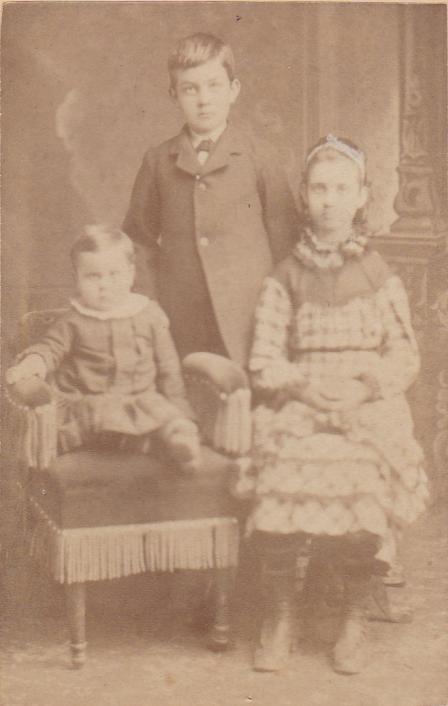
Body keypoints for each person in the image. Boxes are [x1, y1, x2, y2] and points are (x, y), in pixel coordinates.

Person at [245, 135, 429, 674]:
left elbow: (404, 355)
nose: (329, 200)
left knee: (366, 475)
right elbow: (264, 359)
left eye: (341, 189)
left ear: (361, 196)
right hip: (303, 398)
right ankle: (280, 615)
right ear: (304, 196)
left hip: (363, 402)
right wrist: (303, 386)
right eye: (320, 188)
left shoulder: (378, 275)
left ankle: (352, 614)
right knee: (278, 468)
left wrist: (363, 387)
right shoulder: (285, 275)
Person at [123, 32, 299, 367]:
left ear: (233, 90)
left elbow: (285, 239)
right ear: (174, 95)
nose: (203, 99)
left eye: (214, 85)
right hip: (182, 318)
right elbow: (138, 240)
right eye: (190, 89)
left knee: (251, 394)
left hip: (252, 317)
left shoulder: (260, 156)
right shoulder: (158, 161)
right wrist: (151, 305)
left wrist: (281, 311)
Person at [6, 225, 201, 473]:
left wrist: (178, 406)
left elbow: (168, 367)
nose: (104, 285)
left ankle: (177, 437)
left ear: (131, 275)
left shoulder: (150, 315)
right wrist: (34, 361)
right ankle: (148, 443)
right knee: (102, 416)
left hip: (140, 398)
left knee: (164, 413)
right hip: (90, 401)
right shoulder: (73, 321)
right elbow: (50, 347)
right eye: (93, 276)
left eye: (114, 274)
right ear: (77, 278)